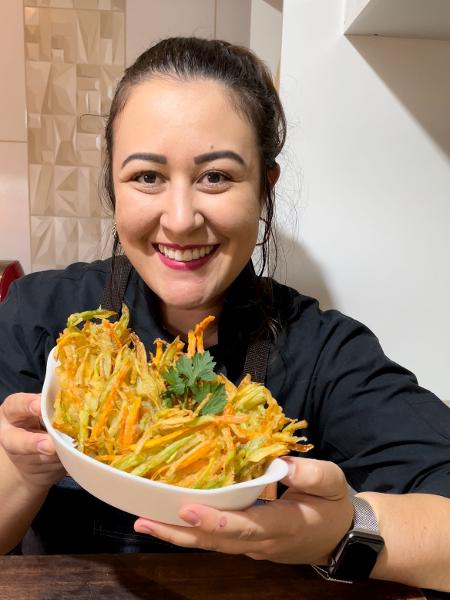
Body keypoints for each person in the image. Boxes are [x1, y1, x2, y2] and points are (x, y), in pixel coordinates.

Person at [0, 37, 449, 591]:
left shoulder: (322, 353)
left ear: (265, 189)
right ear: (112, 189)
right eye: (147, 176)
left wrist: (343, 528)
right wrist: (24, 470)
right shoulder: (42, 317)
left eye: (216, 176)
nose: (182, 219)